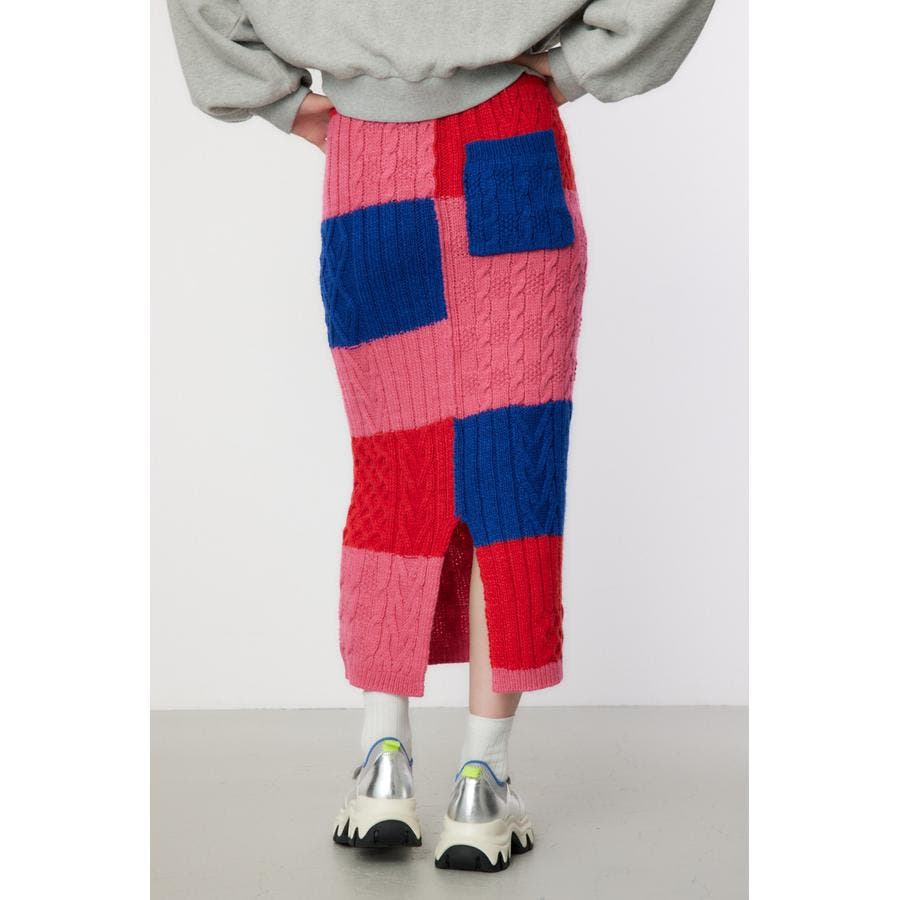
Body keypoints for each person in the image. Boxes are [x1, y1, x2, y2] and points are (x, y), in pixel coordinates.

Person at [166, 0, 715, 874]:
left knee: (397, 468)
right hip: (509, 136)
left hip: (368, 157)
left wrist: (282, 100)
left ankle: (381, 767)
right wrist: (580, 62)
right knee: (511, 476)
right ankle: (481, 787)